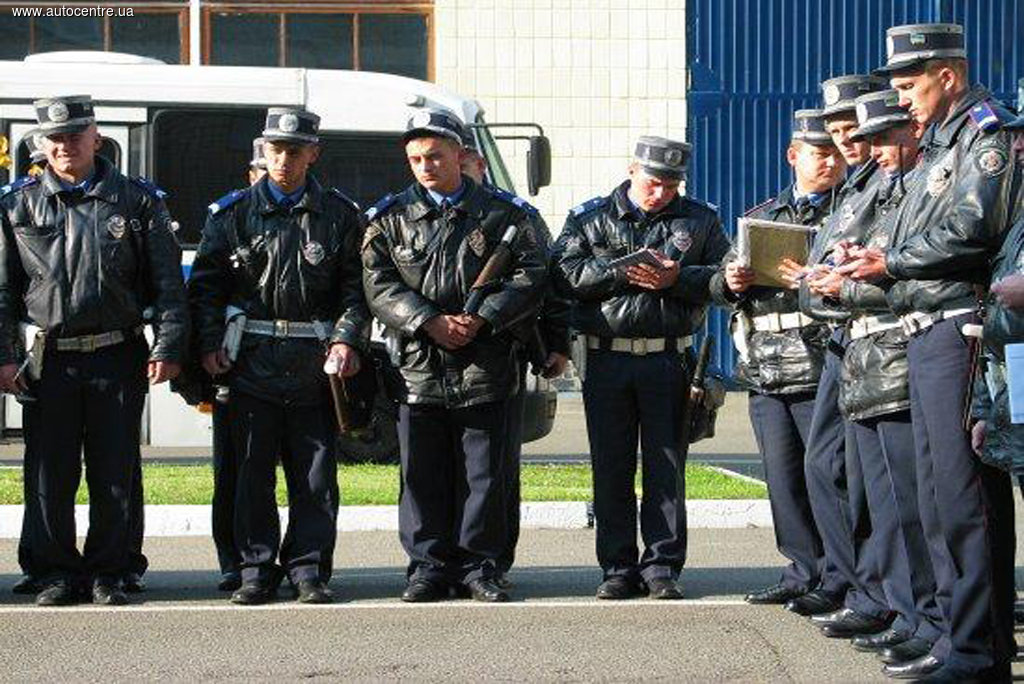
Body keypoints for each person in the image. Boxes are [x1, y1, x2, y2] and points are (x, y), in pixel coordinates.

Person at [839, 23, 1021, 681]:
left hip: (960, 327)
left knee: (965, 499)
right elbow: (918, 230)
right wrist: (874, 255)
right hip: (922, 329)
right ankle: (953, 636)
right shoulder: (941, 141)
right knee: (937, 498)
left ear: (948, 74)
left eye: (910, 84)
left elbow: (973, 227)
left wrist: (890, 262)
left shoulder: (985, 133)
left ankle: (978, 651)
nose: (902, 98)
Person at [0, 95, 188, 606]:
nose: (66, 146)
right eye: (56, 138)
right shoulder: (16, 204)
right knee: (49, 471)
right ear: (43, 145)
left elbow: (167, 283)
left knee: (115, 471)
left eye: (75, 136)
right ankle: (54, 572)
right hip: (50, 358)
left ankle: (112, 570)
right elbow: (4, 288)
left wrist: (168, 344)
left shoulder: (137, 201)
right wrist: (5, 356)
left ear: (96, 138)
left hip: (116, 354)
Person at [362, 107, 547, 603]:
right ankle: (428, 567)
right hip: (417, 366)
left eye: (435, 156)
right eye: (416, 159)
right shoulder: (389, 219)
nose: (426, 167)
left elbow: (532, 275)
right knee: (421, 476)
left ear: (460, 155)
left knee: (484, 475)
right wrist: (429, 321)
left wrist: (482, 317)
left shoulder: (506, 215)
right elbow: (378, 284)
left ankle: (479, 566)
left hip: (486, 362)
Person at [189, 108, 369, 605]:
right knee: (250, 474)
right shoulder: (230, 215)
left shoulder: (340, 215)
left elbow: (357, 291)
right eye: (275, 150)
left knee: (315, 478)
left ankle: (308, 569)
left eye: (294, 150)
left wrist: (346, 339)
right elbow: (205, 288)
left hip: (314, 365)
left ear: (313, 153)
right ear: (263, 151)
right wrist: (209, 343)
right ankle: (255, 568)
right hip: (249, 362)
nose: (283, 160)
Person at [553, 136, 730, 600]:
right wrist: (619, 271)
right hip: (606, 357)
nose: (662, 193)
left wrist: (677, 278)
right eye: (654, 183)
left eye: (672, 185)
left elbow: (726, 281)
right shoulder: (590, 217)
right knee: (610, 465)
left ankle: (662, 567)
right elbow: (563, 275)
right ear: (633, 170)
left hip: (669, 357)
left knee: (666, 466)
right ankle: (617, 567)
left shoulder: (700, 220)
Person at [813, 90, 944, 663]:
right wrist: (833, 281)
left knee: (915, 503)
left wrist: (847, 285)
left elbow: (913, 274)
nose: (873, 149)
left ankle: (928, 619)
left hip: (899, 351)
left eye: (885, 137)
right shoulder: (873, 189)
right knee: (888, 500)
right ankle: (909, 611)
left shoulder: (918, 187)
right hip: (865, 357)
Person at [711, 109, 845, 607]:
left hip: (819, 359)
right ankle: (802, 570)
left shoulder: (850, 211)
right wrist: (731, 281)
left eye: (836, 153)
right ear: (793, 156)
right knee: (783, 476)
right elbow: (719, 283)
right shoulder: (764, 216)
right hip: (766, 363)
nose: (830, 162)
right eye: (819, 153)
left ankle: (840, 575)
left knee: (828, 474)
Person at [781, 74, 889, 622]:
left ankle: (875, 594)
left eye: (852, 129)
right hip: (843, 341)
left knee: (875, 482)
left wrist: (834, 283)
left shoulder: (885, 184)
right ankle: (850, 583)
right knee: (826, 465)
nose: (844, 140)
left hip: (880, 341)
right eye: (836, 131)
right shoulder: (854, 189)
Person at [460, 135, 570, 588]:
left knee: (496, 470)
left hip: (500, 352)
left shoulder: (514, 214)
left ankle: (492, 562)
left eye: (462, 165)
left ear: (478, 165)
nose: (452, 173)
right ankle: (442, 564)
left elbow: (549, 283)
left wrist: (557, 345)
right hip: (433, 355)